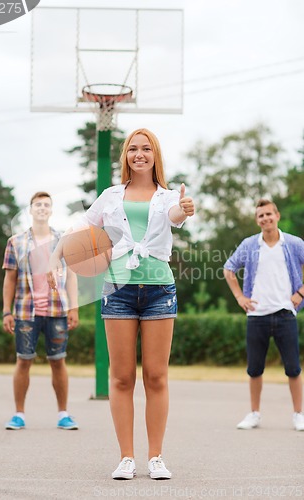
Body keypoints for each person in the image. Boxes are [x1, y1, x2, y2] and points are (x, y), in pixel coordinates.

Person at [47, 129, 194, 479]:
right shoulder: (111, 196)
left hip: (160, 290)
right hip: (118, 290)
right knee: (122, 377)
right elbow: (80, 226)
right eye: (133, 149)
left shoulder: (169, 196)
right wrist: (56, 257)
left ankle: (155, 457)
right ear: (125, 156)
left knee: (156, 377)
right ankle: (126, 457)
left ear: (155, 155)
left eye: (146, 149)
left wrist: (184, 208)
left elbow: (176, 214)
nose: (139, 154)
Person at [223, 199, 304, 431]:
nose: (265, 218)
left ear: (277, 215)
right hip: (256, 315)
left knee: (293, 368)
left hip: (285, 314)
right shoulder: (249, 245)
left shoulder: (293, 244)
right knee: (254, 369)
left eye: (269, 214)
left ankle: (299, 414)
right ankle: (254, 414)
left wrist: (300, 293)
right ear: (257, 220)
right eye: (261, 216)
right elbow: (229, 268)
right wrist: (240, 297)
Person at [2, 191, 79, 430]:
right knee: (23, 361)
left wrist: (74, 307)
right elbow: (9, 279)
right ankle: (19, 414)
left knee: (58, 361)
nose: (42, 208)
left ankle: (63, 414)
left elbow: (72, 275)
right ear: (31, 209)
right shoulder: (16, 242)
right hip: (26, 312)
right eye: (38, 204)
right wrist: (7, 311)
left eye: (46, 204)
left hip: (57, 311)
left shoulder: (63, 240)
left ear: (52, 210)